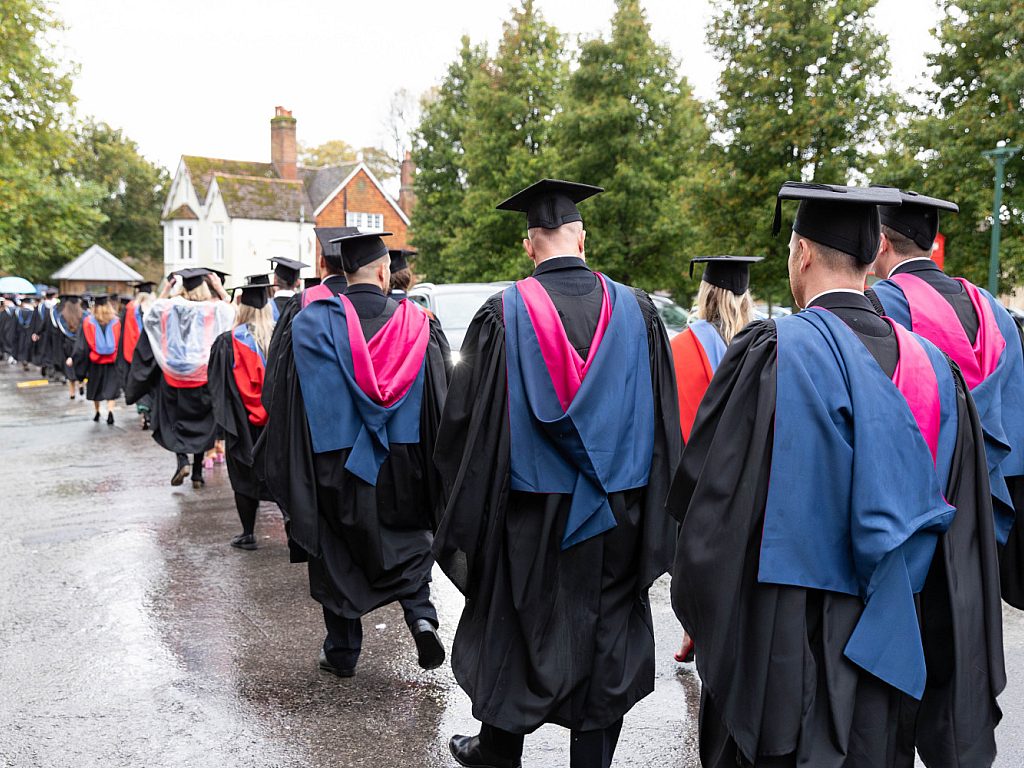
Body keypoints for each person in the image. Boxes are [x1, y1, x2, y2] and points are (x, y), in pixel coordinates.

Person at [669, 181, 1005, 768]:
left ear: (800, 254)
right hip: (893, 648)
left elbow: (712, 513)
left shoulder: (771, 353)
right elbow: (964, 546)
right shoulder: (938, 371)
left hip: (785, 650)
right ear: (876, 254)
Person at [433, 179, 681, 768]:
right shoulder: (639, 310)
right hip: (616, 513)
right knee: (605, 636)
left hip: (530, 512)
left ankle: (498, 751)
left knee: (515, 625)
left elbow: (469, 427)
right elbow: (664, 424)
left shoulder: (502, 313)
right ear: (582, 236)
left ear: (529, 245)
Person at [257, 230, 451, 678]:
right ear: (385, 271)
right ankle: (420, 614)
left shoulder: (307, 321)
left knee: (337, 546)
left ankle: (342, 651)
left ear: (339, 272)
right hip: (402, 459)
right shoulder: (417, 323)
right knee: (407, 535)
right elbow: (441, 399)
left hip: (334, 459)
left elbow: (282, 398)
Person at [868, 188, 1024, 608]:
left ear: (880, 242)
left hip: (914, 507)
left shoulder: (879, 307)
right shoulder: (991, 308)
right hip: (986, 504)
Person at [669, 255, 760, 664]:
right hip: (746, 479)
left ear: (703, 294)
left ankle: (696, 628)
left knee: (698, 567)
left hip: (692, 482)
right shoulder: (763, 344)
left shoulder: (679, 348)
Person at [125, 268, 235, 488]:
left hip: (174, 375)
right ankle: (196, 474)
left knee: (175, 421)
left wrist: (166, 288)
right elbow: (232, 312)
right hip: (202, 376)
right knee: (203, 424)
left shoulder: (170, 307)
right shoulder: (212, 309)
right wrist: (220, 289)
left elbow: (150, 314)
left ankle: (181, 460)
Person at [208, 275, 277, 550]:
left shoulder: (226, 343)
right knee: (279, 472)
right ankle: (289, 522)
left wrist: (223, 425)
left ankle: (248, 533)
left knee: (244, 476)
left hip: (242, 424)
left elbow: (217, 388)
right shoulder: (281, 338)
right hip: (275, 423)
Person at [261, 227, 357, 417]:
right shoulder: (363, 301)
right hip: (360, 410)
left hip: (313, 414)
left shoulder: (301, 303)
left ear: (321, 263)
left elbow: (279, 364)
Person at [69, 295, 121, 423]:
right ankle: (110, 412)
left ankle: (97, 412)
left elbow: (82, 346)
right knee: (111, 386)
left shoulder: (88, 322)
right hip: (112, 361)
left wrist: (76, 359)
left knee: (96, 387)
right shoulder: (116, 321)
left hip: (95, 362)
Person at [119, 281, 158, 429]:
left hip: (136, 353)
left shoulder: (130, 309)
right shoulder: (156, 307)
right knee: (153, 383)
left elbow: (126, 333)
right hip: (155, 353)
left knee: (140, 381)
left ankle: (144, 412)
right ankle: (153, 412)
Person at [49, 295, 82, 398]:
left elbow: (59, 333)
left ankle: (72, 393)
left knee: (69, 369)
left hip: (67, 345)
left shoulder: (61, 316)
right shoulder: (84, 315)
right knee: (81, 367)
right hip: (80, 344)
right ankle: (81, 384)